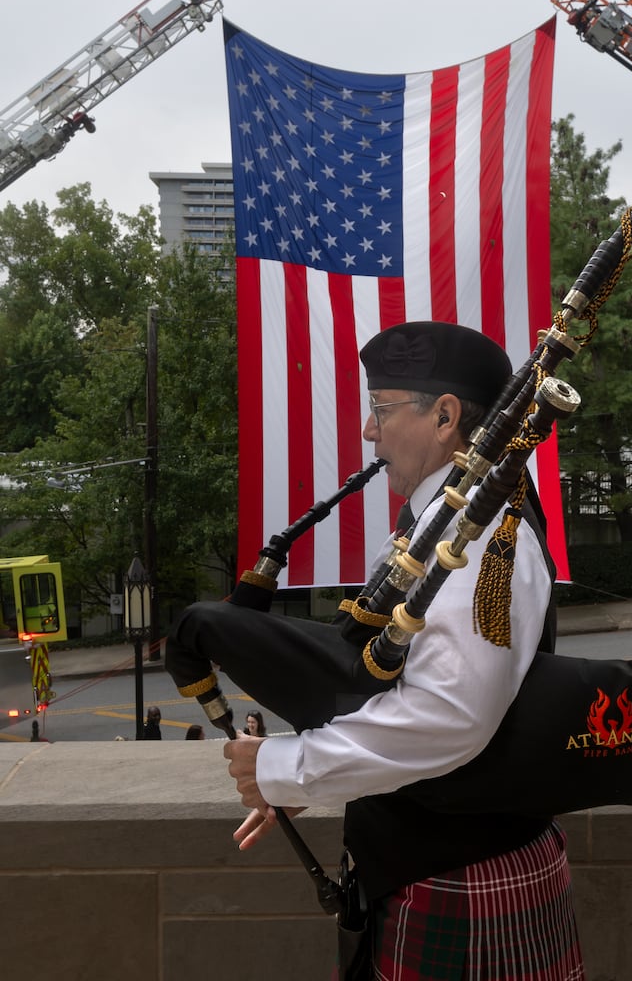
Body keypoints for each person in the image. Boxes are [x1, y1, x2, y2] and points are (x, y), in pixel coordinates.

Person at [169, 322, 585, 979]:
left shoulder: (476, 536)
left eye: (382, 409)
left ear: (445, 416)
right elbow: (390, 682)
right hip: (438, 865)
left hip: (461, 875)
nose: (368, 430)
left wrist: (291, 766)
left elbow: (450, 714)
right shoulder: (446, 519)